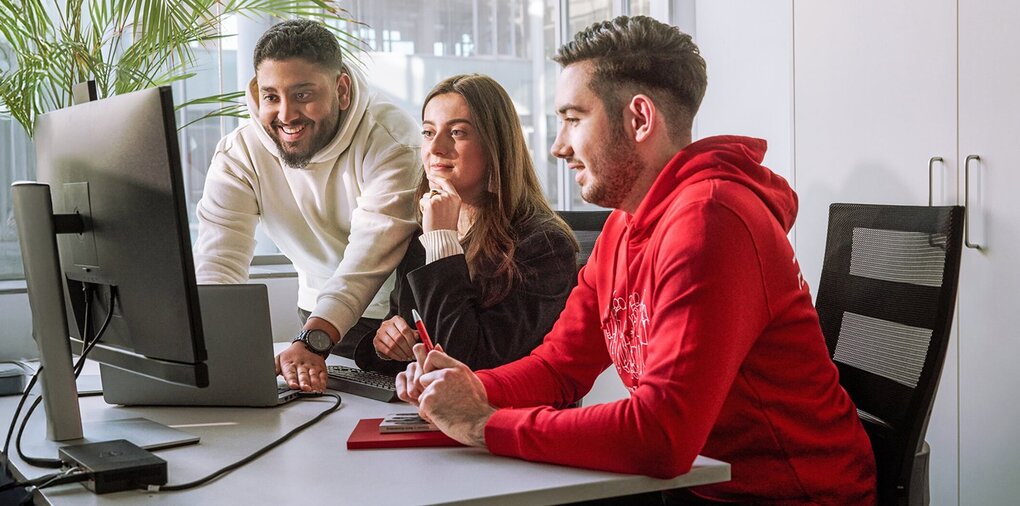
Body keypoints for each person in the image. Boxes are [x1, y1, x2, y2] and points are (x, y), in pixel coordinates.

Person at [396, 15, 878, 505]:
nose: (559, 146)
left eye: (573, 119)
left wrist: (484, 423)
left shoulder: (712, 221)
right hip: (697, 484)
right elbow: (559, 367)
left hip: (785, 497)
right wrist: (463, 385)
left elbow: (660, 436)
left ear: (640, 118)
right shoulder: (625, 227)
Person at [193, 19, 420, 393]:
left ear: (341, 89)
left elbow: (368, 259)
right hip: (315, 316)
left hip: (389, 325)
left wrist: (314, 339)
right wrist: (218, 349)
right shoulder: (239, 153)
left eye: (302, 95)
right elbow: (218, 261)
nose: (285, 115)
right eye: (271, 96)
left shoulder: (392, 140)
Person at [352, 74, 578, 374]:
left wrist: (442, 241)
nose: (436, 148)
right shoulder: (426, 229)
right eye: (428, 132)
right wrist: (387, 343)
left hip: (501, 415)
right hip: (428, 408)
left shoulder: (544, 245)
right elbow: (413, 335)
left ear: (495, 145)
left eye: (457, 132)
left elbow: (468, 360)